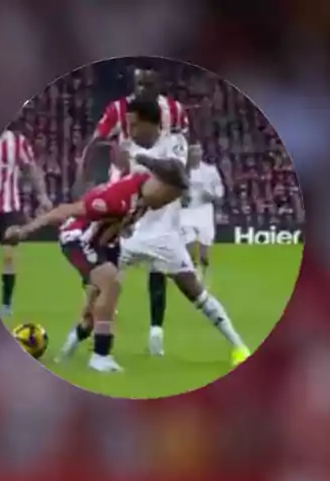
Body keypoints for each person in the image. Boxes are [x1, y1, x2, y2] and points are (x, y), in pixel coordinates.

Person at [5, 166, 184, 373]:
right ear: (158, 184)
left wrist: (124, 228)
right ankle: (100, 355)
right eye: (167, 196)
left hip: (107, 245)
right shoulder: (116, 198)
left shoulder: (144, 191)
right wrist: (25, 231)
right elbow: (65, 210)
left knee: (94, 309)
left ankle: (67, 350)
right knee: (111, 282)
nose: (166, 203)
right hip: (80, 238)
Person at [118, 99, 250, 366]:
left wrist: (143, 158)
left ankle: (239, 347)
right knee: (98, 281)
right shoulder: (127, 147)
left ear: (149, 122)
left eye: (134, 124)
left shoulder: (174, 142)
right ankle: (80, 351)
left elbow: (177, 174)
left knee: (196, 294)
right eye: (127, 124)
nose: (129, 129)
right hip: (134, 232)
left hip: (166, 236)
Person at [76, 65, 191, 349]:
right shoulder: (117, 109)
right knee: (103, 258)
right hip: (122, 194)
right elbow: (96, 140)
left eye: (148, 84)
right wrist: (84, 178)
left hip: (158, 191)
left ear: (158, 84)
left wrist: (185, 184)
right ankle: (93, 321)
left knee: (158, 262)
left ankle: (155, 332)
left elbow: (183, 148)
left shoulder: (175, 111)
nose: (143, 89)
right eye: (139, 84)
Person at [0, 126, 53, 317]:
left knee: (9, 255)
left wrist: (42, 196)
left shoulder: (17, 142)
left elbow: (31, 169)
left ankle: (6, 303)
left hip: (9, 208)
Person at [181, 143, 224, 281]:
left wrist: (214, 196)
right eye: (193, 151)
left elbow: (219, 189)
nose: (196, 153)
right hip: (186, 213)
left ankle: (204, 274)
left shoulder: (210, 171)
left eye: (198, 150)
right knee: (190, 246)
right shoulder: (182, 171)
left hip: (204, 212)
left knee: (204, 252)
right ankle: (193, 276)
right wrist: (181, 198)